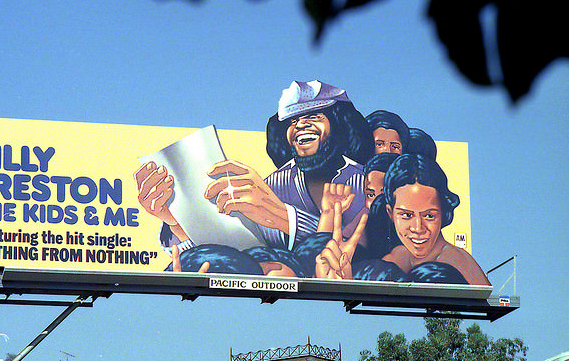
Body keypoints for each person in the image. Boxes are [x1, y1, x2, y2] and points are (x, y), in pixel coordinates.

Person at [134, 80, 373, 275]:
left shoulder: (366, 182)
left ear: (340, 123)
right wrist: (176, 219)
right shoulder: (275, 183)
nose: (300, 125)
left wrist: (285, 218)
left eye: (314, 116)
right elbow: (246, 257)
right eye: (292, 120)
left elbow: (371, 256)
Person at [315, 154, 491, 285]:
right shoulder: (399, 256)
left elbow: (485, 299)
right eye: (406, 215)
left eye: (429, 215)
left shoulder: (459, 264)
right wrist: (344, 280)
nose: (417, 228)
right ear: (390, 213)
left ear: (443, 213)